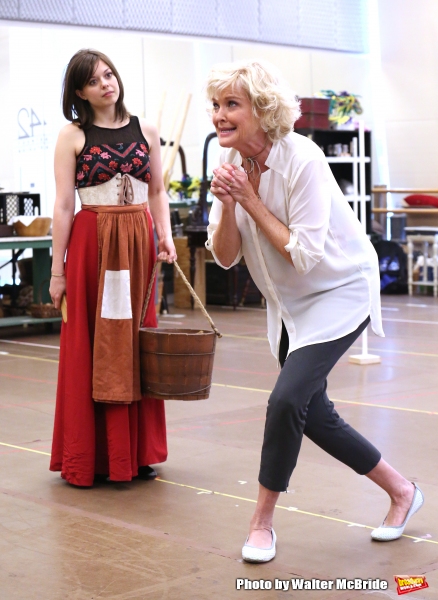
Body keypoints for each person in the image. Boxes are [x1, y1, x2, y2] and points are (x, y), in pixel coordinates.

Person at [205, 60, 424, 563]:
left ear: (262, 111)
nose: (220, 115)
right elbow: (223, 256)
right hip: (287, 306)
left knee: (286, 402)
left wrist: (248, 200)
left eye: (232, 105)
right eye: (216, 106)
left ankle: (261, 523)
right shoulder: (232, 167)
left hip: (338, 290)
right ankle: (402, 491)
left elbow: (303, 254)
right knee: (313, 414)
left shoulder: (301, 159)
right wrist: (227, 204)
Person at [49, 49, 177, 487]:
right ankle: (93, 456)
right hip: (92, 245)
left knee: (136, 341)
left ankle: (136, 452)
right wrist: (57, 271)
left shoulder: (147, 130)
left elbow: (157, 190)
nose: (106, 83)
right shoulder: (72, 135)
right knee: (91, 342)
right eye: (94, 80)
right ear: (80, 92)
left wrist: (166, 234)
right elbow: (64, 205)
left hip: (138, 243)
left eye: (109, 74)